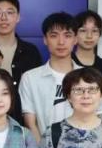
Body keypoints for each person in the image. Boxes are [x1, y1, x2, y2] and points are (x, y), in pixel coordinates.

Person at [19, 12, 77, 141]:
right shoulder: (30, 78)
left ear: (75, 39)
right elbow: (31, 124)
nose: (61, 42)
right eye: (54, 36)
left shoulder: (88, 77)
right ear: (45, 39)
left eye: (67, 35)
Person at [0, 0, 42, 84]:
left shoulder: (31, 51)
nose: (4, 18)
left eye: (9, 12)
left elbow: (38, 87)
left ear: (18, 17)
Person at [72, 10, 102, 92]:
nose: (89, 36)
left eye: (94, 31)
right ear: (74, 34)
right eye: (83, 30)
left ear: (100, 34)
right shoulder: (66, 62)